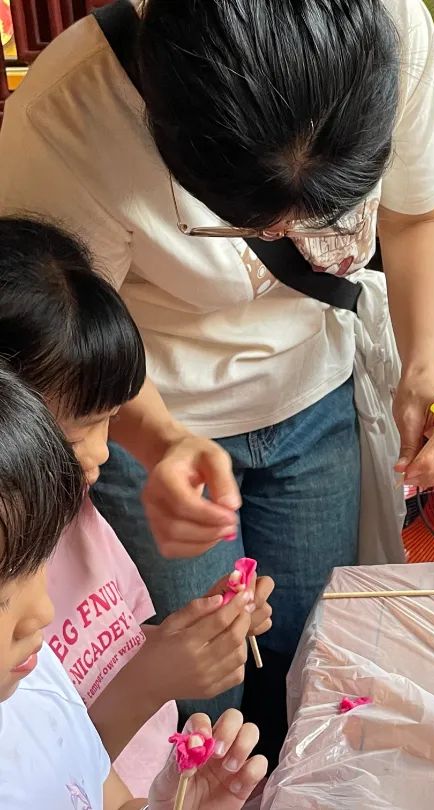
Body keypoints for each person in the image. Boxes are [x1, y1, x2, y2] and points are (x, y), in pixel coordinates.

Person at [0, 0, 434, 753]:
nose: (285, 238)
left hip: (317, 392)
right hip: (149, 405)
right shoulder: (71, 116)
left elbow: (417, 218)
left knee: (312, 645)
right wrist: (161, 440)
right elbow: (71, 340)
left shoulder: (398, 31)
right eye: (251, 222)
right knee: (202, 687)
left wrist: (423, 369)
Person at [0, 217, 274, 794]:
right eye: (79, 431)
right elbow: (45, 763)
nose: (103, 452)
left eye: (110, 417)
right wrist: (151, 681)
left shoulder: (78, 519)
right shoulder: (14, 565)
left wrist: (196, 633)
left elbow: (110, 641)